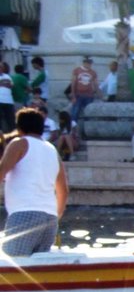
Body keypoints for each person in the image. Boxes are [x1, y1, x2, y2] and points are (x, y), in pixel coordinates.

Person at [0, 107, 69, 256]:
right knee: (36, 269)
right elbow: (63, 190)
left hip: (24, 214)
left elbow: (1, 171)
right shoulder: (52, 150)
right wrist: (56, 216)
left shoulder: (19, 143)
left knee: (10, 268)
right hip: (50, 219)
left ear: (19, 128)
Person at [69, 55, 99, 134]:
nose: (89, 64)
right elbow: (73, 83)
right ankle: (72, 130)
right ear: (84, 62)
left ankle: (88, 131)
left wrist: (99, 94)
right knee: (74, 113)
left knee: (89, 113)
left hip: (89, 96)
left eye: (90, 63)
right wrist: (73, 95)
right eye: (87, 62)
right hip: (78, 95)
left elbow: (96, 84)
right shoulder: (77, 70)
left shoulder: (93, 72)